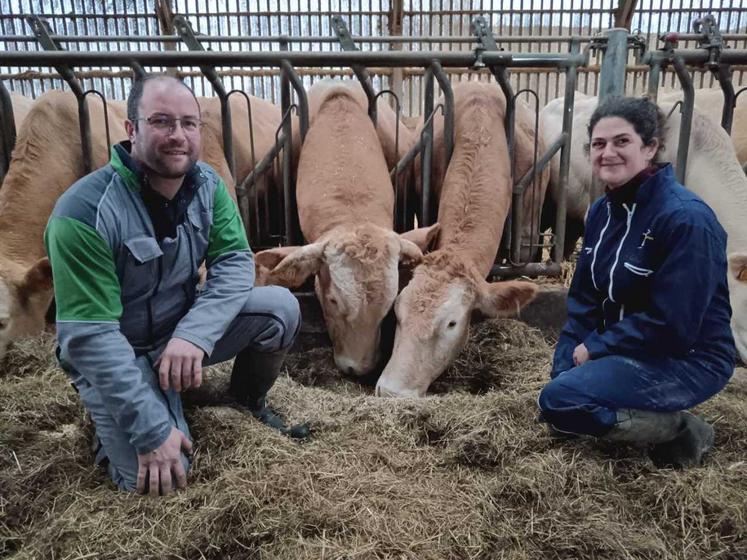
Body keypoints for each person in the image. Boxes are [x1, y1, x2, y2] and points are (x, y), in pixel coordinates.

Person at [44, 74, 307, 496]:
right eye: (162, 122)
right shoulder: (83, 212)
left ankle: (244, 400)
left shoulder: (208, 186)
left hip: (176, 334)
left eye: (189, 123)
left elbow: (236, 262)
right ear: (131, 130)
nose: (178, 135)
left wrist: (194, 334)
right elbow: (90, 337)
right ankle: (114, 422)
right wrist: (149, 431)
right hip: (118, 352)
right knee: (159, 480)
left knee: (281, 308)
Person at [538, 96, 736, 468]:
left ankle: (681, 429)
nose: (607, 153)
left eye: (621, 141)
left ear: (650, 148)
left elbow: (673, 324)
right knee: (560, 402)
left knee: (563, 402)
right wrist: (566, 359)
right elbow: (583, 300)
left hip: (685, 357)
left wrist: (595, 347)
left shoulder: (686, 220)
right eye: (598, 144)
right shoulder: (602, 212)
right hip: (626, 347)